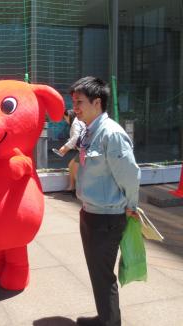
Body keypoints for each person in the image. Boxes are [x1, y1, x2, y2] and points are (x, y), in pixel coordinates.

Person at [70, 77, 141, 326]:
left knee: (103, 276)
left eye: (79, 102)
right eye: (74, 102)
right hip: (91, 213)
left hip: (107, 218)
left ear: (97, 102)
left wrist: (132, 205)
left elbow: (130, 174)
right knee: (97, 273)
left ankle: (110, 322)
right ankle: (104, 318)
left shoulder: (111, 133)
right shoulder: (89, 131)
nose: (75, 108)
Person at [57, 109, 85, 192]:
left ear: (68, 116)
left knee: (76, 168)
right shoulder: (77, 122)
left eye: (65, 118)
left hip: (84, 151)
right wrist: (66, 148)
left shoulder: (75, 123)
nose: (65, 121)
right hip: (83, 150)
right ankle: (72, 187)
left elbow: (75, 137)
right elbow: (76, 139)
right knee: (71, 165)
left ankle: (78, 189)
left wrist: (65, 147)